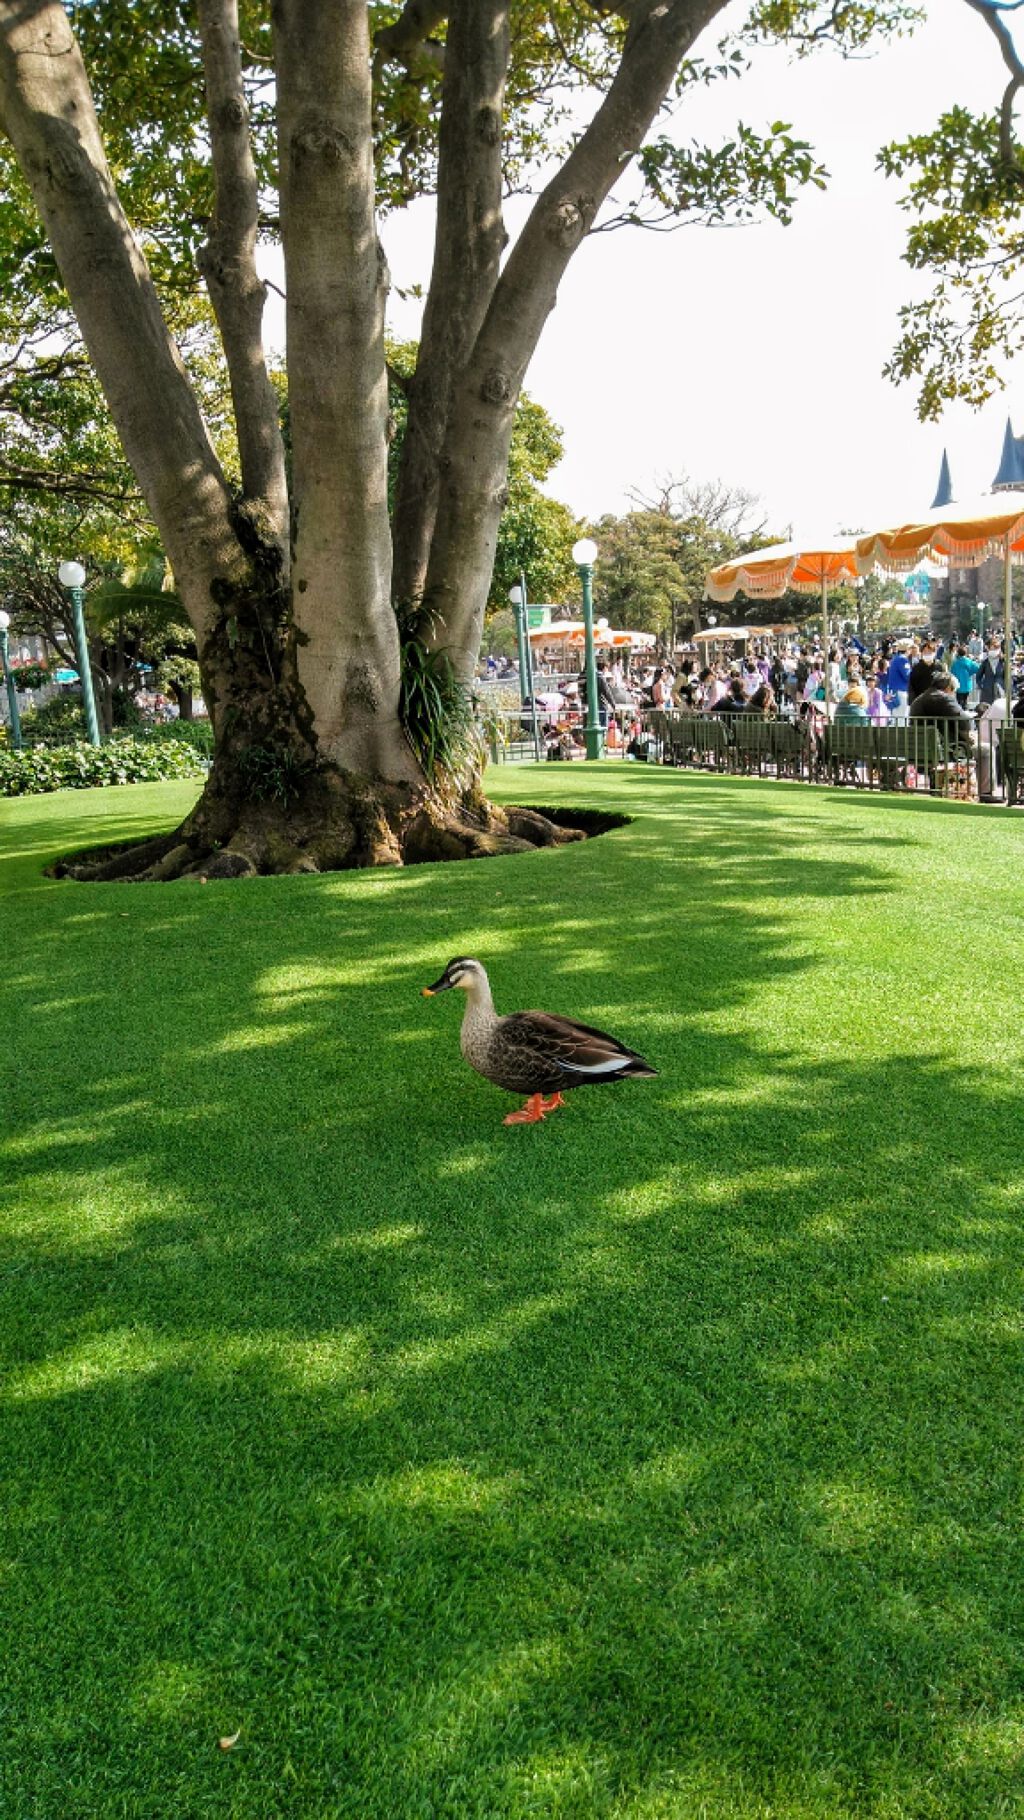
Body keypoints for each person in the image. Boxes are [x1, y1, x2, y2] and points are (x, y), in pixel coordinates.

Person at [909, 668, 976, 756]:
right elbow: (964, 721)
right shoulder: (944, 698)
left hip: (918, 750)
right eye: (954, 690)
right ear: (948, 688)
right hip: (942, 750)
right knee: (982, 747)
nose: (953, 694)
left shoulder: (919, 699)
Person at [908, 640, 939, 705]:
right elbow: (911, 686)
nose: (927, 654)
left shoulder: (940, 667)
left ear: (934, 653)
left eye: (930, 652)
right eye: (925, 652)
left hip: (937, 702)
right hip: (920, 703)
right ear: (921, 653)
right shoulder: (916, 668)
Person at [886, 642, 912, 718]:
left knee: (896, 717)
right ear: (907, 650)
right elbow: (908, 676)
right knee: (901, 718)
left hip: (895, 691)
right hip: (901, 692)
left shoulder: (895, 659)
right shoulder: (902, 660)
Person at [949, 644, 979, 709]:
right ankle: (965, 714)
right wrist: (970, 673)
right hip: (967, 685)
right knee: (965, 701)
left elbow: (952, 673)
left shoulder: (955, 662)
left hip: (958, 686)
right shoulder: (969, 661)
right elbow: (977, 668)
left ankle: (960, 716)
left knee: (959, 702)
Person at [976, 643, 1005, 707]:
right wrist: (981, 685)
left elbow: (1008, 677)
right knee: (986, 711)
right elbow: (978, 676)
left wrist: (1004, 688)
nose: (994, 650)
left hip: (1000, 691)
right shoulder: (985, 662)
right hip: (987, 691)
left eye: (996, 648)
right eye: (992, 648)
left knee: (999, 710)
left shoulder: (1003, 662)